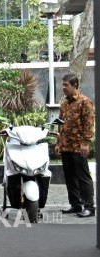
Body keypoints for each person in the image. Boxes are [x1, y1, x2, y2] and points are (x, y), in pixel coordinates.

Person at [55, 74, 95, 218]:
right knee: (70, 177)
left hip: (79, 146)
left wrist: (85, 143)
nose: (63, 87)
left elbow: (89, 125)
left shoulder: (85, 102)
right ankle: (75, 204)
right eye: (63, 84)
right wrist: (59, 143)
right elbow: (61, 125)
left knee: (83, 177)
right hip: (66, 146)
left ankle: (89, 207)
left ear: (75, 85)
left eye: (66, 85)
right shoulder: (64, 103)